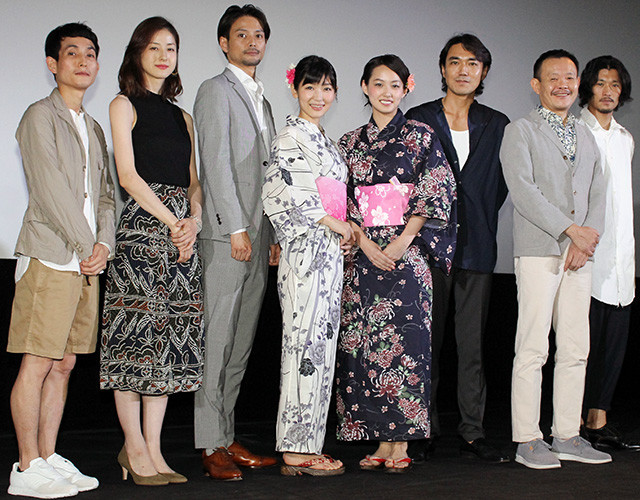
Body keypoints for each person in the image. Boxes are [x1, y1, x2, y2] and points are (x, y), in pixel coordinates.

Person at [7, 22, 115, 498]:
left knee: (65, 362)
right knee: (37, 361)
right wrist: (88, 244)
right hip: (51, 256)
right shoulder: (38, 116)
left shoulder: (93, 127)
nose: (83, 61)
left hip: (86, 261)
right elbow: (50, 191)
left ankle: (48, 457)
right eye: (72, 53)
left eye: (90, 53)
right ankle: (26, 465)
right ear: (53, 64)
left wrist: (104, 245)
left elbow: (107, 197)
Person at [335, 54, 456, 473]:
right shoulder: (349, 143)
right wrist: (364, 243)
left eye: (394, 85)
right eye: (378, 84)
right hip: (363, 254)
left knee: (406, 346)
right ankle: (376, 438)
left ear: (407, 88)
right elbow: (341, 200)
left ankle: (400, 441)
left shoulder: (422, 135)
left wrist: (404, 240)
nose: (386, 93)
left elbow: (436, 189)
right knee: (363, 346)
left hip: (408, 254)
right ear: (364, 87)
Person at [100, 16, 203, 486]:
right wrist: (172, 220)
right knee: (134, 342)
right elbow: (127, 175)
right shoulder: (123, 104)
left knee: (164, 346)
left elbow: (194, 182)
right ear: (137, 52)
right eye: (154, 47)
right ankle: (133, 448)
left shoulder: (184, 117)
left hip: (182, 237)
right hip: (143, 231)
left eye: (171, 48)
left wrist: (193, 221)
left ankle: (155, 451)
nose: (163, 56)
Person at [501, 49, 612, 469]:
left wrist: (585, 240)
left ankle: (567, 434)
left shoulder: (586, 133)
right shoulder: (520, 131)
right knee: (532, 346)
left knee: (575, 347)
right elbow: (524, 191)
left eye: (569, 77)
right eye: (553, 78)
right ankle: (527, 439)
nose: (562, 85)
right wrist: (569, 231)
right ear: (537, 85)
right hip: (540, 250)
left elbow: (599, 190)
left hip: (579, 255)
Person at [406, 33, 510, 464]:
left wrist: (476, 219)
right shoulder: (419, 118)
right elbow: (407, 179)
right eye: (455, 62)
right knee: (424, 345)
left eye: (472, 63)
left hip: (477, 248)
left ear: (483, 71)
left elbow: (500, 186)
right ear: (443, 68)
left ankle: (472, 432)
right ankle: (423, 430)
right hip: (427, 249)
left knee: (472, 347)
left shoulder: (498, 123)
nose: (463, 70)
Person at [193, 4, 279, 481]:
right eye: (242, 34)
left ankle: (226, 435)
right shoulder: (214, 90)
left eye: (259, 34)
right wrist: (234, 227)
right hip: (229, 236)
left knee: (241, 344)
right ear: (224, 43)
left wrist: (272, 234)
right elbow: (216, 162)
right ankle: (209, 442)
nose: (252, 42)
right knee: (218, 340)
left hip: (258, 238)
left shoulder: (263, 100)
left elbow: (268, 176)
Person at [262, 56, 353, 477]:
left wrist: (344, 230)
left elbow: (333, 199)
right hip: (305, 253)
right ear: (295, 89)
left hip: (328, 254)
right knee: (304, 348)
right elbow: (291, 196)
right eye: (310, 86)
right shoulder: (289, 137)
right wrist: (338, 225)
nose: (319, 96)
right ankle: (297, 448)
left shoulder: (323, 140)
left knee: (319, 347)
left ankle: (307, 443)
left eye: (327, 88)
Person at [577, 56, 638, 451]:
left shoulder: (625, 138)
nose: (608, 91)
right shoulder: (575, 132)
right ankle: (571, 420)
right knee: (580, 346)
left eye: (615, 84)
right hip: (584, 256)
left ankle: (598, 420)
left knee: (613, 346)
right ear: (587, 87)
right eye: (600, 83)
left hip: (620, 258)